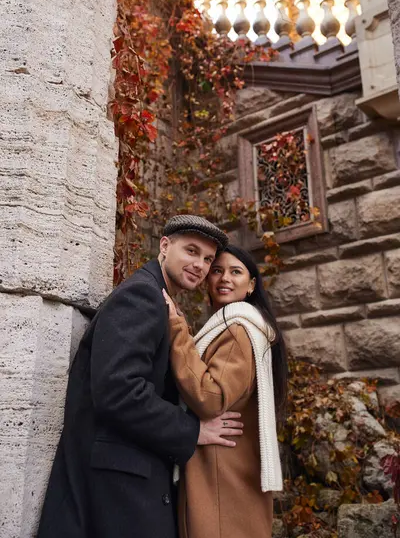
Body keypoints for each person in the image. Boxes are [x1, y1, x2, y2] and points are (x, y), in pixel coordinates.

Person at [37, 215, 244, 538]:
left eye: (207, 259)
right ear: (165, 246)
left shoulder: (158, 298)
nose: (200, 265)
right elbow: (119, 391)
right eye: (191, 251)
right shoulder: (142, 296)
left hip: (125, 486)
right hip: (117, 492)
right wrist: (192, 431)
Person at [163, 244, 288, 538]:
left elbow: (212, 397)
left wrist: (176, 328)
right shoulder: (239, 325)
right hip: (229, 473)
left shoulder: (236, 329)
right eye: (217, 271)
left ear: (251, 285)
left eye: (236, 272)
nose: (224, 279)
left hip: (221, 475)